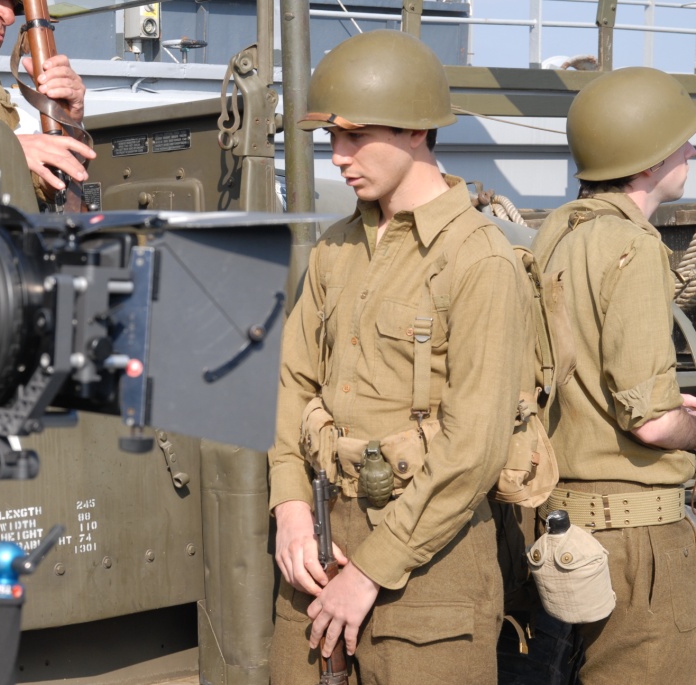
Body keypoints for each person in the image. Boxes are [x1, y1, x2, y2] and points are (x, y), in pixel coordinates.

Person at [268, 29, 531, 683]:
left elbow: (472, 450)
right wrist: (290, 508)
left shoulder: (479, 259)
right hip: (319, 542)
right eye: (332, 139)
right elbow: (293, 381)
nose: (339, 157)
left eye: (356, 136)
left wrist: (371, 570)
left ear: (417, 129)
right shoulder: (335, 249)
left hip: (431, 563)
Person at [530, 66, 696, 684]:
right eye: (682, 141)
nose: (691, 150)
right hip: (636, 541)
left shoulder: (557, 232)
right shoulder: (634, 245)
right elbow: (651, 424)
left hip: (562, 524)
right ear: (649, 159)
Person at [0, 0, 95, 198]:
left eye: (12, 5)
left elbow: (48, 183)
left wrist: (67, 121)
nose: (9, 17)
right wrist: (6, 148)